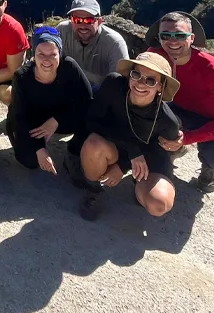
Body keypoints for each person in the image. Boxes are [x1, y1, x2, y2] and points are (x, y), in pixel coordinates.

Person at [76, 53, 183, 220]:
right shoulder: (114, 85)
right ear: (129, 74)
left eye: (150, 81)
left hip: (146, 156)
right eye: (136, 74)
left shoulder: (167, 121)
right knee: (93, 145)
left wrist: (122, 166)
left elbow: (160, 151)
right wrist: (131, 151)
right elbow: (92, 121)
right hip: (114, 146)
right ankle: (93, 189)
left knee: (158, 204)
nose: (140, 83)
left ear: (160, 87)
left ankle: (140, 184)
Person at [147, 11, 214, 193]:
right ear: (159, 38)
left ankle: (210, 170)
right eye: (166, 36)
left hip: (209, 119)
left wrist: (187, 139)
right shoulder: (155, 57)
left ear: (192, 38)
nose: (172, 41)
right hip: (174, 111)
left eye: (180, 35)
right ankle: (171, 151)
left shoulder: (212, 69)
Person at [7, 26, 92, 175]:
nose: (47, 59)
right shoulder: (22, 77)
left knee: (91, 119)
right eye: (41, 54)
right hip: (33, 120)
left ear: (60, 54)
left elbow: (86, 100)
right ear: (34, 55)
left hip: (60, 116)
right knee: (29, 161)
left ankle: (74, 151)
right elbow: (21, 116)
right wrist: (39, 149)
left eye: (52, 54)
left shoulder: (69, 67)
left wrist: (57, 120)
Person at [58, 0, 130, 92]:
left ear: (99, 21)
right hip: (67, 88)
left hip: (101, 94)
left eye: (89, 20)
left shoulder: (114, 43)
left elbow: (121, 83)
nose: (83, 26)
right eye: (77, 20)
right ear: (71, 20)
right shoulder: (62, 31)